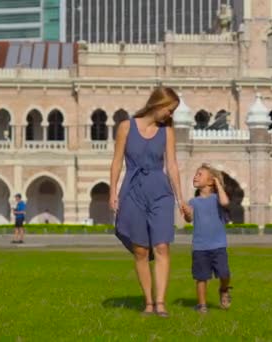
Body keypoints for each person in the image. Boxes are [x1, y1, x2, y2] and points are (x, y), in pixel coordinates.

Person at [109, 87, 184, 317]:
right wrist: (112, 192)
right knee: (140, 250)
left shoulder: (167, 132)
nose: (170, 115)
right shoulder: (126, 127)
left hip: (160, 191)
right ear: (158, 105)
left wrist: (180, 198)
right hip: (132, 191)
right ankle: (149, 303)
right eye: (169, 110)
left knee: (161, 245)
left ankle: (160, 303)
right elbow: (117, 162)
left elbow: (171, 165)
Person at [182, 164, 232, 314]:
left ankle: (223, 289)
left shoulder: (218, 198)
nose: (195, 176)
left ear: (211, 181)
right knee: (201, 277)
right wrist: (187, 212)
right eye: (195, 174)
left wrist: (217, 183)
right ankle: (202, 305)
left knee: (224, 273)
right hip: (200, 247)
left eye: (200, 174)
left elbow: (225, 202)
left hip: (218, 245)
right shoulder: (193, 201)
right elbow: (189, 218)